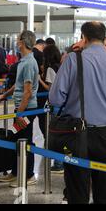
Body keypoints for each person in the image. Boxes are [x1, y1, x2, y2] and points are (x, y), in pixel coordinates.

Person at [49, 22, 106, 204]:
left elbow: (56, 99)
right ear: (105, 39)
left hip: (76, 135)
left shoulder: (73, 60)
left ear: (83, 38)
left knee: (77, 188)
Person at [0, 31, 39, 188]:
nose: (16, 41)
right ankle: (16, 172)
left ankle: (28, 175)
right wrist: (4, 95)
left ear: (22, 42)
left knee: (25, 141)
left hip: (26, 110)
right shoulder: (24, 61)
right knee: (17, 139)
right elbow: (18, 84)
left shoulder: (28, 63)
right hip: (21, 108)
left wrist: (20, 113)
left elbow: (27, 92)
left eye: (18, 39)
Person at [38, 44, 63, 172]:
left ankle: (58, 164)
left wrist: (39, 79)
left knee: (53, 134)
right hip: (63, 105)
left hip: (55, 106)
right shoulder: (61, 66)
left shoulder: (50, 69)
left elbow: (50, 89)